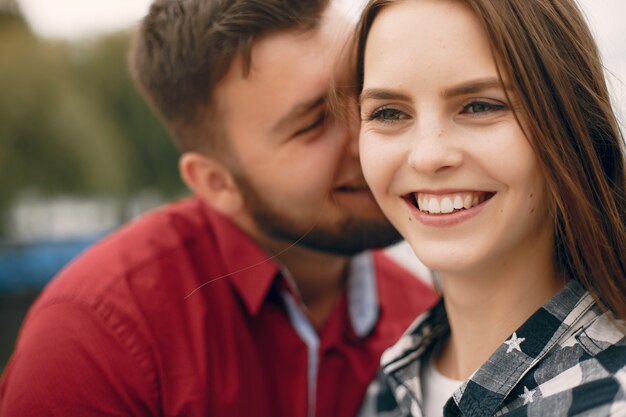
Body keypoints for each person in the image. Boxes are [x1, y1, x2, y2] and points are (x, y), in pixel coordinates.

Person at [0, 0, 438, 416]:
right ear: (217, 183)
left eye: (363, 91)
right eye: (312, 123)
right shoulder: (94, 343)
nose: (370, 135)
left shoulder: (426, 314)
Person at [354, 0, 626, 416]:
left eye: (481, 105)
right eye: (388, 113)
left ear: (572, 123)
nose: (427, 156)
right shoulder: (387, 385)